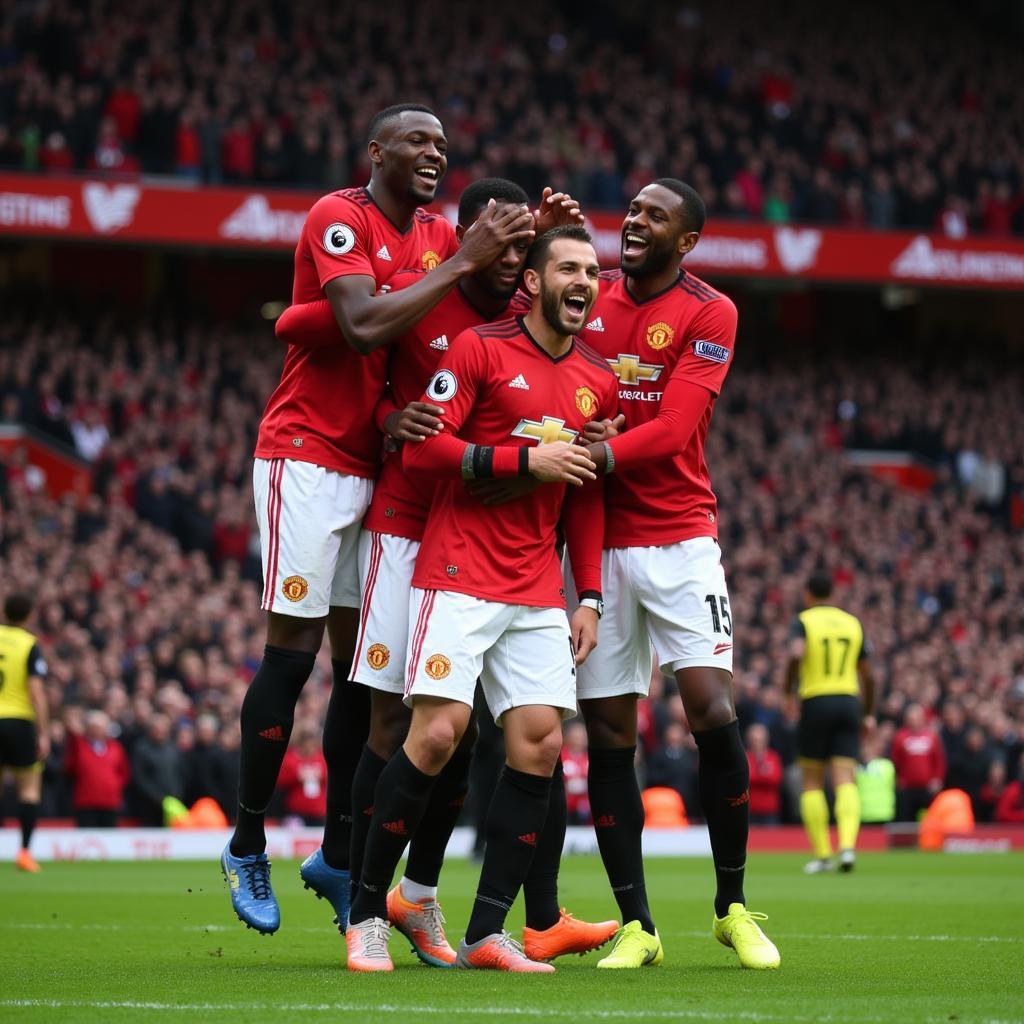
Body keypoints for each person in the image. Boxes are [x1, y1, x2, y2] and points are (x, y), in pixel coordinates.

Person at [221, 102, 535, 935]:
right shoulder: (340, 214)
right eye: (417, 141)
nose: (433, 153)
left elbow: (465, 308)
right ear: (377, 152)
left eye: (441, 143)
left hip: (379, 465)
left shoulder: (438, 235)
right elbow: (361, 325)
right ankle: (247, 840)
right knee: (290, 660)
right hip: (310, 455)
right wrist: (319, 314)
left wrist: (535, 235)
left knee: (363, 677)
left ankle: (333, 853)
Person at [345, 178, 607, 966]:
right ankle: (366, 914)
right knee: (435, 733)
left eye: (593, 275)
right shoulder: (479, 350)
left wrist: (587, 593)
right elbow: (423, 450)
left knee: (536, 747)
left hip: (534, 587)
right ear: (532, 281)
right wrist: (524, 458)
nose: (584, 285)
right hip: (456, 570)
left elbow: (586, 494)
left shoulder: (596, 377)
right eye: (569, 271)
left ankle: (491, 929)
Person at [577, 180, 779, 969]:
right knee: (609, 734)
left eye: (655, 216)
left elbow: (675, 428)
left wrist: (598, 449)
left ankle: (731, 906)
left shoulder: (709, 310)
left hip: (682, 537)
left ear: (686, 241)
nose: (635, 221)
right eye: (632, 210)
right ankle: (638, 925)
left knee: (711, 708)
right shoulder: (585, 298)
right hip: (599, 542)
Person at [784, 570, 876, 873]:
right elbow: (869, 674)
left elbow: (796, 655)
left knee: (812, 780)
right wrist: (869, 712)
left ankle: (823, 855)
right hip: (849, 701)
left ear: (808, 595)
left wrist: (788, 692)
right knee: (845, 778)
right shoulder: (852, 623)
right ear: (834, 594)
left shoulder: (804, 621)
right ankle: (847, 848)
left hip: (816, 700)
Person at [0, 594, 50, 872]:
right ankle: (24, 853)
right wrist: (43, 732)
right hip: (18, 720)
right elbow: (37, 692)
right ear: (30, 615)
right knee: (29, 789)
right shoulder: (29, 644)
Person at [63, 708, 131, 827]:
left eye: (102, 726)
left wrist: (114, 786)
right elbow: (70, 767)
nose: (99, 730)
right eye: (96, 727)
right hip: (86, 802)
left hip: (110, 802)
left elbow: (124, 772)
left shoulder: (116, 747)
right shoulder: (79, 745)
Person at [891, 704, 946, 823]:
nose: (914, 721)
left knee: (928, 818)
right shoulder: (900, 737)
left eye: (917, 718)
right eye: (911, 719)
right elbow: (896, 760)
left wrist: (937, 779)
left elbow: (938, 761)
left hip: (927, 787)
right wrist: (899, 779)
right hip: (907, 787)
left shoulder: (932, 737)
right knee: (906, 819)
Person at [745, 724, 783, 826]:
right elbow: (743, 781)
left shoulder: (773, 757)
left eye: (759, 740)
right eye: (754, 740)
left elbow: (775, 779)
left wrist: (754, 775)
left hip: (770, 812)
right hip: (749, 811)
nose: (756, 743)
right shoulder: (744, 757)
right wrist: (763, 774)